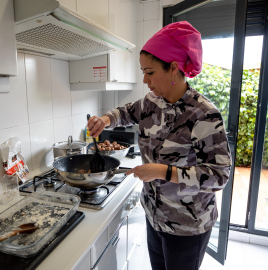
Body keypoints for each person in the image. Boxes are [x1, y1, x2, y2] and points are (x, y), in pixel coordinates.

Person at [87, 21, 231, 270]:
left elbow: (219, 176)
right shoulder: (151, 101)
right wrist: (106, 119)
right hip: (155, 216)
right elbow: (126, 112)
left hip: (187, 226)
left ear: (173, 68)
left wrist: (161, 171)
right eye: (143, 71)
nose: (145, 79)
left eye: (150, 72)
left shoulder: (203, 114)